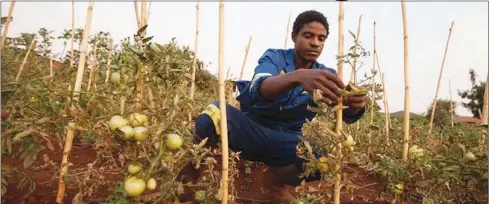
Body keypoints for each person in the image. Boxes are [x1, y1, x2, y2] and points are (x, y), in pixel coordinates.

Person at [178, 10, 367, 203]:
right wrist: (297, 77)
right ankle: (192, 168)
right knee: (215, 112)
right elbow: (260, 87)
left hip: (287, 143)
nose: (315, 43)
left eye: (321, 38)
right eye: (308, 35)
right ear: (294, 36)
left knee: (326, 159)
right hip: (250, 130)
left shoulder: (325, 74)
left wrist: (354, 105)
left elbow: (343, 113)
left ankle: (276, 183)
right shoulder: (274, 57)